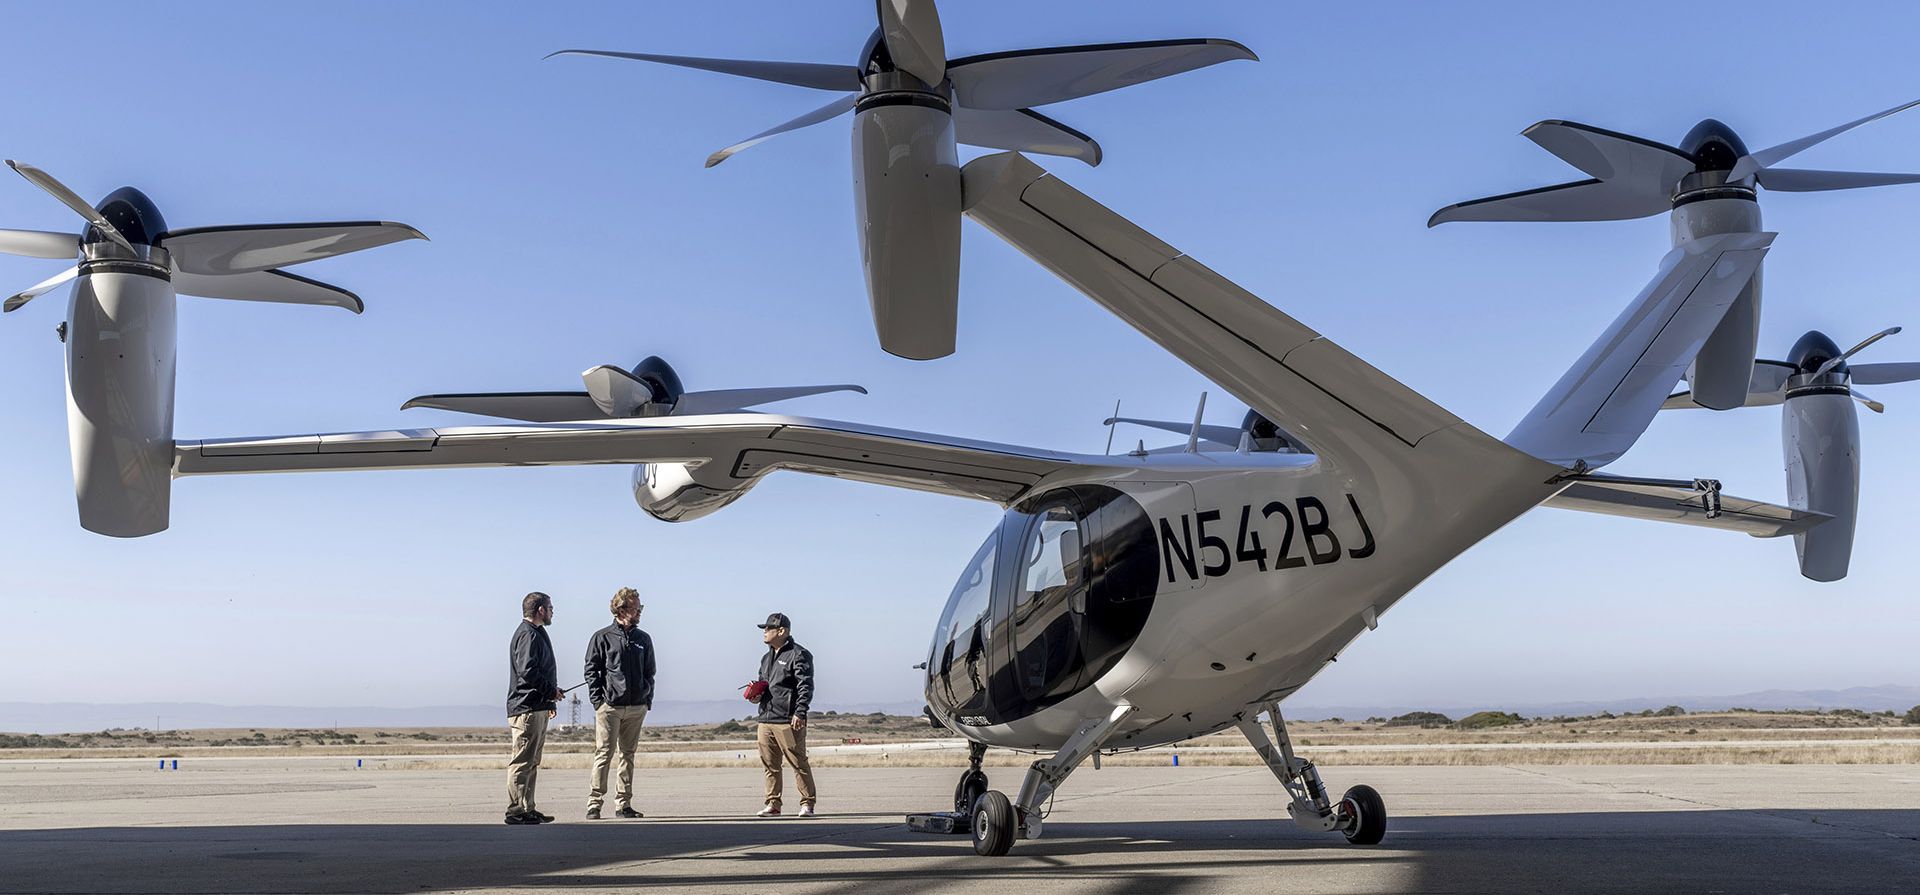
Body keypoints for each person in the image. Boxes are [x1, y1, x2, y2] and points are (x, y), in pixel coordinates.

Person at [584, 586, 656, 820]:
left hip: (636, 706)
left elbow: (650, 671)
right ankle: (594, 803)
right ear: (622, 609)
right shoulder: (602, 637)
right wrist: (598, 701)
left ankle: (623, 804)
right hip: (610, 707)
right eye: (637, 608)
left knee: (628, 754)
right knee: (604, 753)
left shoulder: (643, 639)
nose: (640, 612)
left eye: (640, 607)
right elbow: (591, 670)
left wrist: (647, 699)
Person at [752, 612, 816, 817]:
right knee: (770, 764)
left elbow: (805, 685)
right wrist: (756, 695)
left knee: (798, 762)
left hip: (788, 720)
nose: (764, 632)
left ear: (782, 631)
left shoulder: (799, 654)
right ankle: (773, 803)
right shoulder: (765, 657)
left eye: (768, 628)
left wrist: (800, 712)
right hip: (766, 719)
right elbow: (763, 683)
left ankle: (807, 803)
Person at [506, 591, 562, 825]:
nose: (552, 612)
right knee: (522, 760)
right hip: (527, 708)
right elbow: (527, 671)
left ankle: (528, 808)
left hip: (537, 706)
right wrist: (550, 692)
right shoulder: (528, 635)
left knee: (532, 761)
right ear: (540, 610)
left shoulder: (537, 633)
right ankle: (515, 810)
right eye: (550, 607)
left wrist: (549, 701)